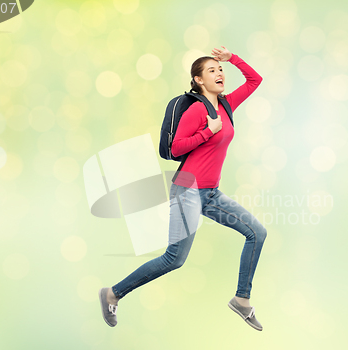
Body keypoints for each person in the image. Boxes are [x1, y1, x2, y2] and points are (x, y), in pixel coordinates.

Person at [99, 46, 267, 331]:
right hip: (187, 191)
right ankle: (113, 293)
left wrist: (232, 59)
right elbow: (176, 147)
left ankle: (241, 299)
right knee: (174, 259)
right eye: (212, 70)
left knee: (256, 233)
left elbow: (255, 81)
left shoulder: (226, 106)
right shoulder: (197, 109)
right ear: (199, 80)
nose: (220, 73)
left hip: (211, 193)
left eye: (221, 69)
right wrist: (207, 132)